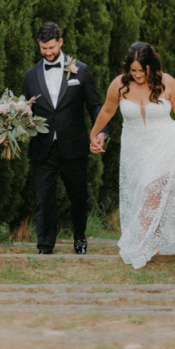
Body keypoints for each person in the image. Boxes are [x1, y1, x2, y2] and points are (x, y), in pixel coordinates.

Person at [91, 41, 175, 269]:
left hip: (164, 146)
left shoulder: (168, 82)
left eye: (141, 71)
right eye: (133, 70)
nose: (137, 75)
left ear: (151, 67)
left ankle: (144, 246)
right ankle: (153, 244)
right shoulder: (119, 85)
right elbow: (107, 110)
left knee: (151, 191)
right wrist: (94, 134)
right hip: (134, 151)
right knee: (140, 196)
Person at [22, 22, 107, 255]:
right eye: (43, 48)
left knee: (79, 198)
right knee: (44, 199)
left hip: (74, 147)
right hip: (43, 149)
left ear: (60, 42)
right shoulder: (30, 76)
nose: (48, 52)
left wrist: (101, 131)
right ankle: (45, 247)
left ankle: (80, 237)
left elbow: (95, 105)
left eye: (51, 47)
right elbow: (24, 109)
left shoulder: (81, 70)